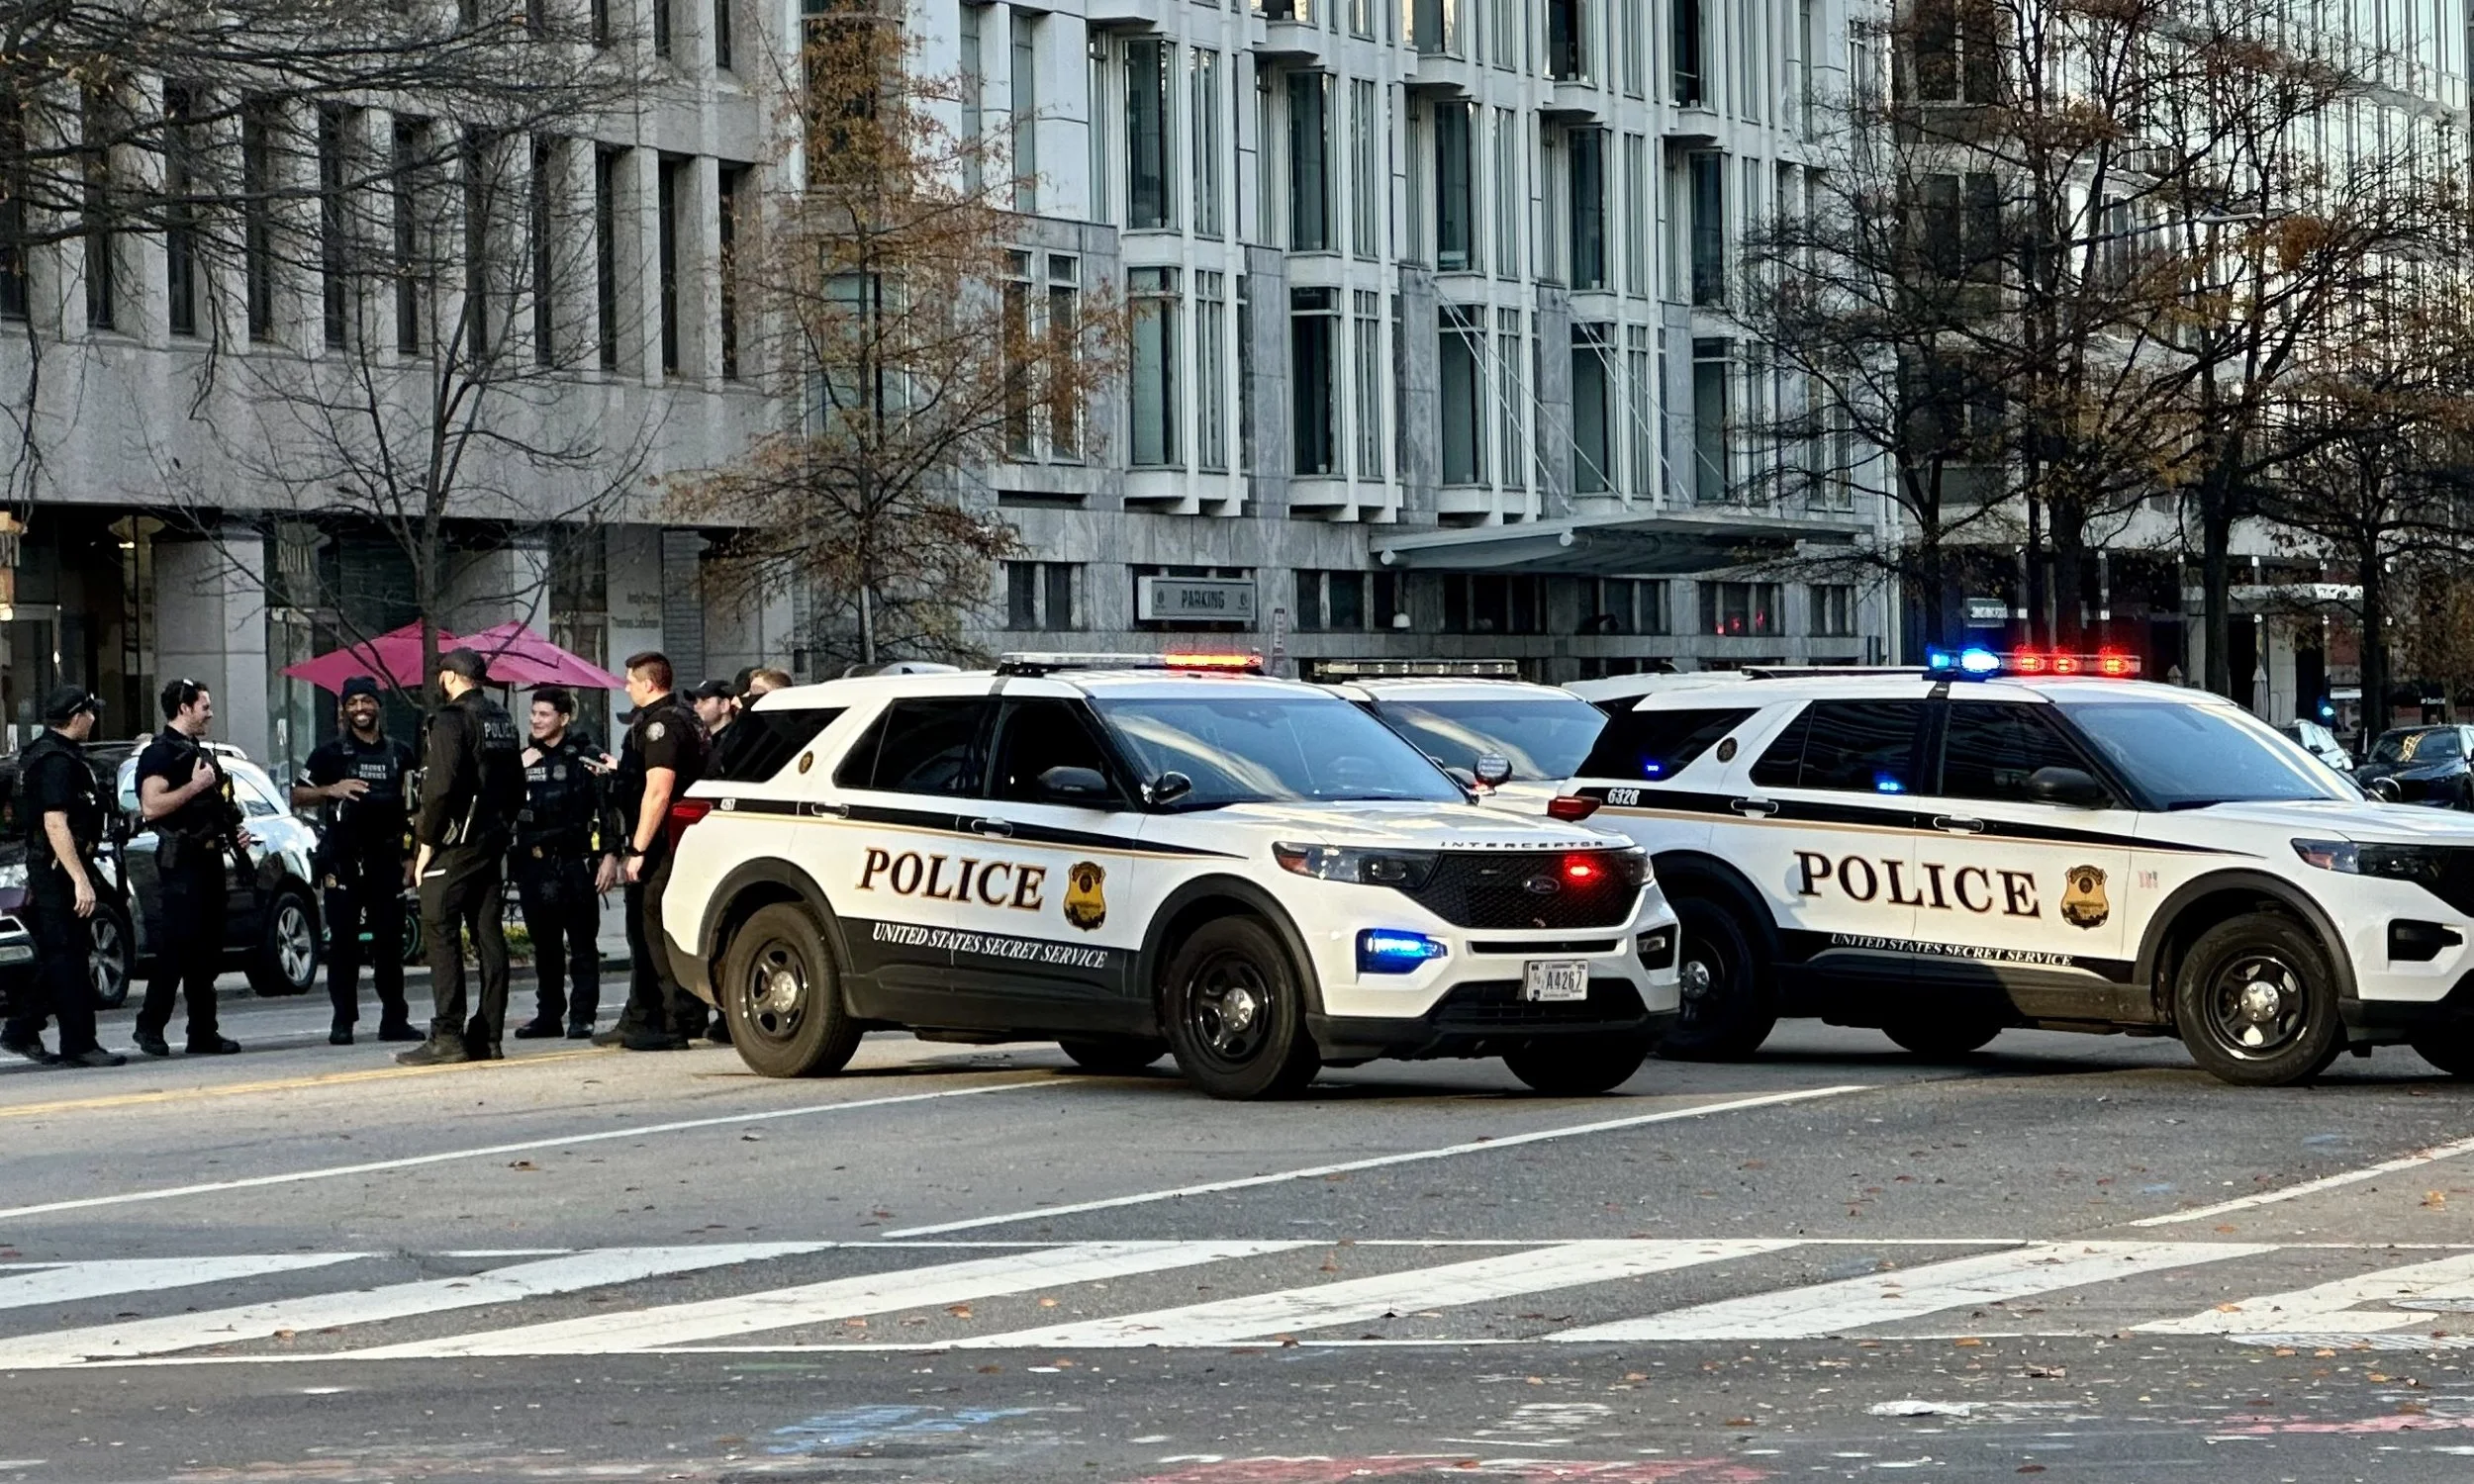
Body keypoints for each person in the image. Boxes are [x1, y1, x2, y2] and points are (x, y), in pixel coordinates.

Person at [401, 648, 525, 1066]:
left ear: (451, 677)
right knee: (489, 935)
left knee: (440, 931)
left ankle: (447, 1034)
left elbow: (439, 788)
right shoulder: (502, 720)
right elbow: (518, 788)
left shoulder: (451, 720)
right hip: (492, 840)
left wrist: (425, 845)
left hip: (456, 843)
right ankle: (488, 1035)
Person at [1, 686, 124, 1068]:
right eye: (89, 712)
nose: (93, 717)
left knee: (63, 955)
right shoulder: (54, 760)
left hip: (59, 867)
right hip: (57, 870)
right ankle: (78, 1043)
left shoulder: (55, 754)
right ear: (76, 716)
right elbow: (55, 822)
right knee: (67, 956)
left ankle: (22, 1029)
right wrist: (79, 880)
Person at [294, 676, 421, 1046]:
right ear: (343, 709)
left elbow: (416, 809)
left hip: (387, 861)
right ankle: (343, 1020)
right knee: (344, 946)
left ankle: (394, 1019)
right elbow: (297, 795)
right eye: (353, 703)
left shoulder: (400, 753)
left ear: (378, 706)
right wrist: (330, 790)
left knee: (389, 946)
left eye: (367, 701)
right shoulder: (330, 754)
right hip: (343, 861)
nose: (360, 709)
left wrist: (412, 857)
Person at [133, 679, 250, 1058]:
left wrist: (236, 833)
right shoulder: (160, 753)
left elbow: (217, 806)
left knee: (206, 951)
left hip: (210, 860)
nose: (210, 713)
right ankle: (150, 1027)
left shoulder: (196, 751)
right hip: (181, 862)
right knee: (176, 949)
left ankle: (203, 1031)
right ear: (183, 708)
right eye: (204, 706)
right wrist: (196, 786)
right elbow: (152, 807)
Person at [596, 651, 707, 1052]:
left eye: (630, 680)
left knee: (654, 931)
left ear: (648, 684)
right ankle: (645, 1015)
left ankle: (674, 1021)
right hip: (674, 841)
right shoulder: (682, 717)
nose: (626, 686)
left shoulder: (663, 725)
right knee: (646, 932)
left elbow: (659, 790)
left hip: (663, 845)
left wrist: (638, 848)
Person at [511, 687, 609, 1041]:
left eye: (544, 714)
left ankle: (583, 1016)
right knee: (545, 947)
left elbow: (606, 809)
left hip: (575, 863)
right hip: (534, 865)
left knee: (582, 945)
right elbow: (502, 807)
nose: (536, 720)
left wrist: (609, 855)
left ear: (564, 719)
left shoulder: (584, 757)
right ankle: (548, 1015)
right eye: (533, 714)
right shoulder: (521, 759)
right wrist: (513, 773)